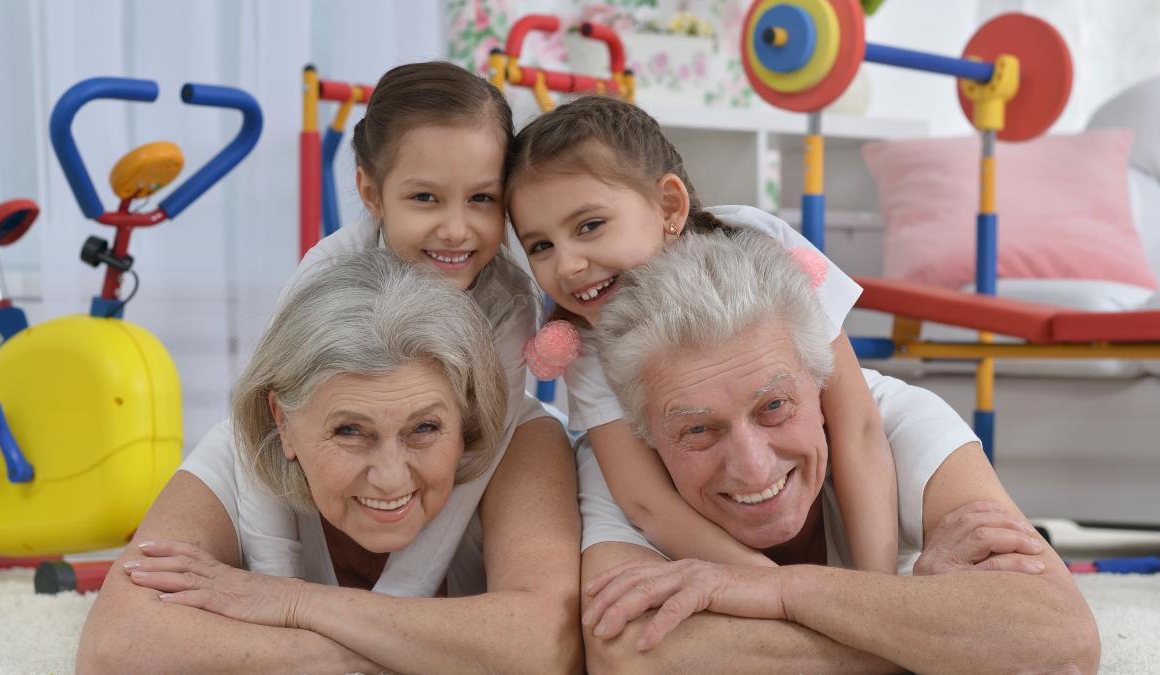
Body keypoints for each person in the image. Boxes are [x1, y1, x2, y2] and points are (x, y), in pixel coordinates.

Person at [576, 230, 1099, 673]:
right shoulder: (618, 472)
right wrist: (929, 631)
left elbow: (1062, 634)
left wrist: (779, 593)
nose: (752, 464)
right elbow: (627, 656)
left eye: (775, 406)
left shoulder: (901, 421)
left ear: (823, 387)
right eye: (697, 430)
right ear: (645, 432)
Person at [76, 250, 581, 673]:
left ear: (465, 414)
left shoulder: (525, 443)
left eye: (425, 428)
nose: (390, 476)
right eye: (349, 431)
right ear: (282, 420)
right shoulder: (241, 447)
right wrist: (415, 654)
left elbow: (543, 646)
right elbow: (115, 645)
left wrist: (294, 603)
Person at [192, 61, 555, 596]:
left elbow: (477, 463)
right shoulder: (327, 270)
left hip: (444, 483)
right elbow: (270, 427)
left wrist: (398, 600)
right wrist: (277, 583)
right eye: (425, 198)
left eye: (482, 199)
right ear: (370, 192)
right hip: (343, 471)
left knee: (532, 428)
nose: (456, 230)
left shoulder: (508, 300)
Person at [506, 95, 898, 572]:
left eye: (589, 226)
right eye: (541, 246)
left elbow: (856, 424)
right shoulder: (589, 345)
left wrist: (876, 585)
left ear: (669, 206)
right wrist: (776, 587)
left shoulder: (754, 240)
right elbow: (647, 502)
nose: (566, 265)